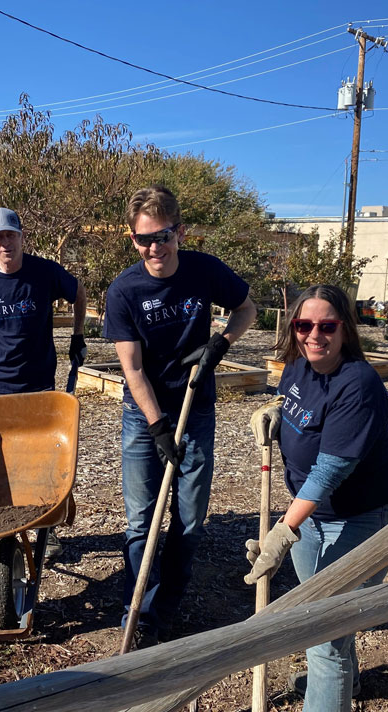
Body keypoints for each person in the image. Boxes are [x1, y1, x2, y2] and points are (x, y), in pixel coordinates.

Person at [245, 284, 388, 712]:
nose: (314, 335)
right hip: (313, 516)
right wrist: (273, 412)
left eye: (327, 326)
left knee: (324, 637)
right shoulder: (298, 367)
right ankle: (342, 685)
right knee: (328, 622)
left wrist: (283, 530)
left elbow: (330, 471)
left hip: (359, 519)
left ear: (345, 329)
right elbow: (289, 400)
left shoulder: (359, 386)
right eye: (303, 325)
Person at [104, 185, 256, 648]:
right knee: (140, 521)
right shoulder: (125, 290)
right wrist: (156, 426)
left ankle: (166, 605)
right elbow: (131, 368)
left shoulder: (204, 271)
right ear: (132, 239)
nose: (154, 248)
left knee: (188, 521)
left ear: (179, 231)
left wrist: (220, 344)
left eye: (162, 236)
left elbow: (246, 309)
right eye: (143, 239)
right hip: (144, 414)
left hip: (197, 409)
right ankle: (142, 614)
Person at [0, 207, 87, 397]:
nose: (5, 243)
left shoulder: (45, 272)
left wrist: (77, 337)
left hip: (37, 382)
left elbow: (78, 291)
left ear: (22, 237)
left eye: (11, 235)